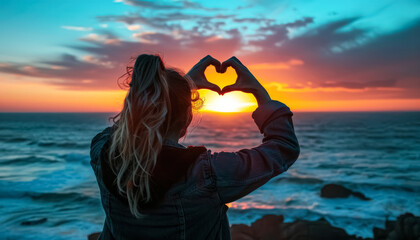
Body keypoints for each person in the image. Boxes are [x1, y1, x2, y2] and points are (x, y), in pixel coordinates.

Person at [90, 54, 300, 240]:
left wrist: (179, 89)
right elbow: (283, 147)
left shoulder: (102, 153)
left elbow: (121, 128)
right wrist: (259, 92)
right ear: (187, 118)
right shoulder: (207, 174)